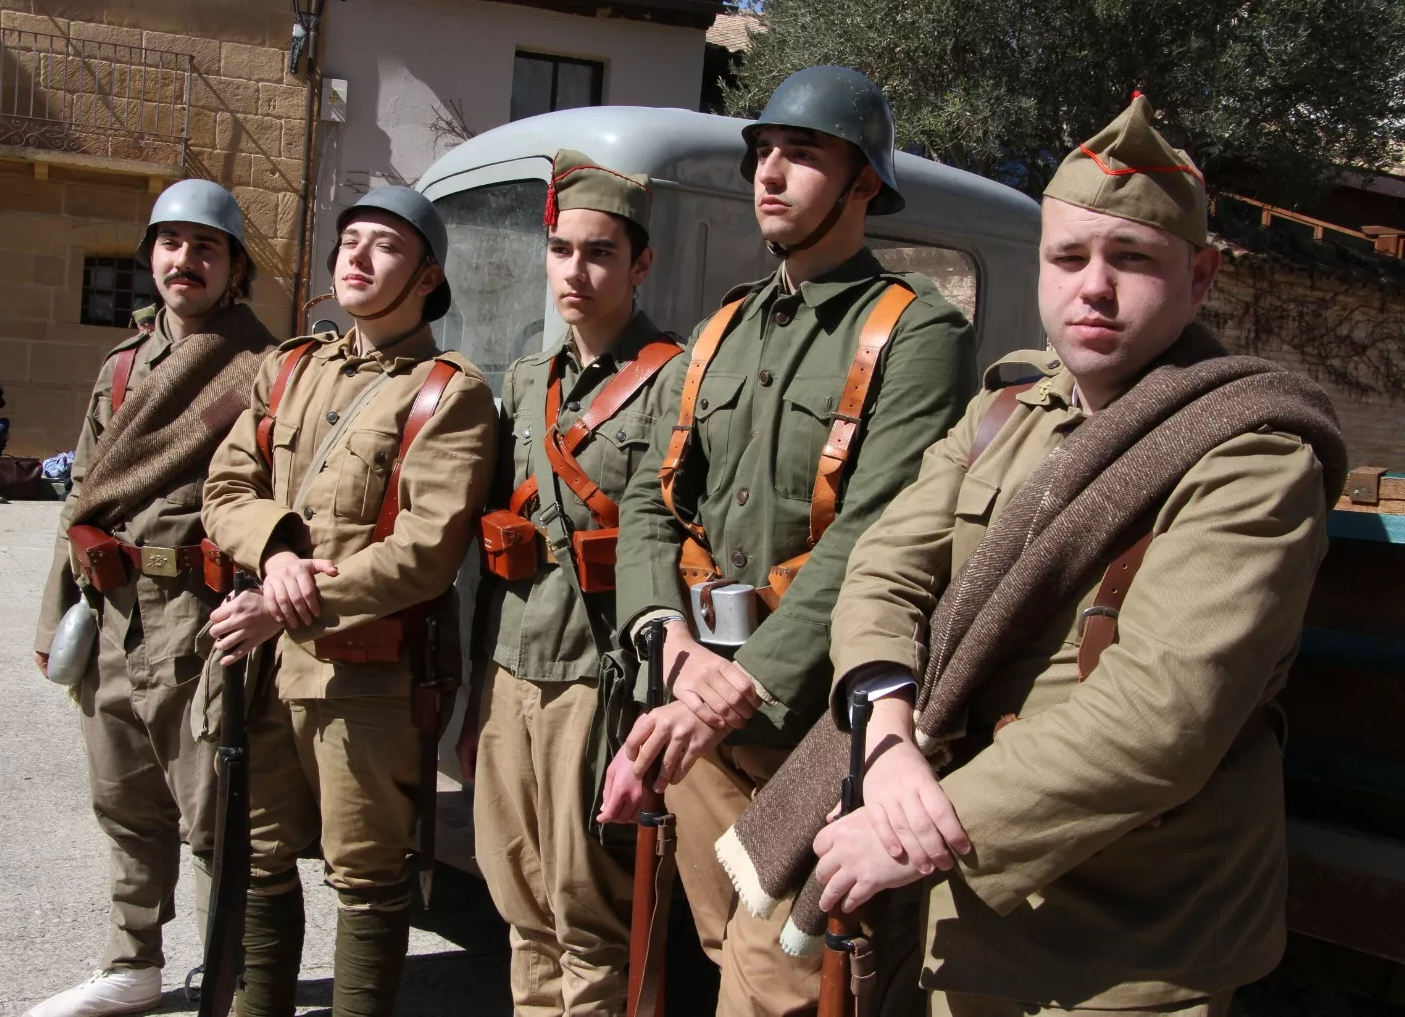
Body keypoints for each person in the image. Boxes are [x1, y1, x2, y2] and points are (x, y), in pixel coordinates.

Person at [812, 95, 1348, 1017]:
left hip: (1125, 941)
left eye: (1131, 259)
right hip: (953, 901)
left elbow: (1159, 719)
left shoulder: (1250, 454)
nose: (1093, 286)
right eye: (1069, 258)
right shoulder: (1007, 413)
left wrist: (909, 833)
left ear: (1202, 278)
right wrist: (885, 729)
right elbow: (884, 565)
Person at [603, 65, 978, 1015]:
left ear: (863, 183)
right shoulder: (721, 328)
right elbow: (651, 498)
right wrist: (668, 641)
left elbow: (874, 532)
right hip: (699, 708)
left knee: (779, 981)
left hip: (806, 725)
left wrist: (747, 681)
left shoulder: (914, 330)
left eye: (801, 155)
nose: (770, 174)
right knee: (721, 943)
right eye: (763, 153)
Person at [201, 185, 498, 1017]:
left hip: (364, 677)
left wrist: (284, 602)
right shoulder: (288, 367)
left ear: (428, 274)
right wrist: (277, 548)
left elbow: (425, 554)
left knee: (365, 871)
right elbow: (227, 485)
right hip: (261, 665)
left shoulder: (448, 394)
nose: (358, 259)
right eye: (350, 242)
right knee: (258, 856)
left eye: (386, 247)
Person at [27, 179, 276, 1017]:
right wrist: (53, 609)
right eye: (171, 243)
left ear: (234, 267)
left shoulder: (264, 368)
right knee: (121, 796)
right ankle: (132, 961)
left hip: (202, 616)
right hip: (112, 607)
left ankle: (230, 976)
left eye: (206, 247)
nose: (185, 260)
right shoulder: (123, 365)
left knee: (215, 812)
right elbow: (82, 495)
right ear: (152, 258)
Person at [458, 151, 685, 1015]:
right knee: (519, 901)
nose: (576, 272)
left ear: (640, 263)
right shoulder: (524, 384)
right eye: (561, 250)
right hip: (514, 670)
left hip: (601, 682)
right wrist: (478, 693)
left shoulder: (672, 380)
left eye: (599, 253)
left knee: (589, 913)